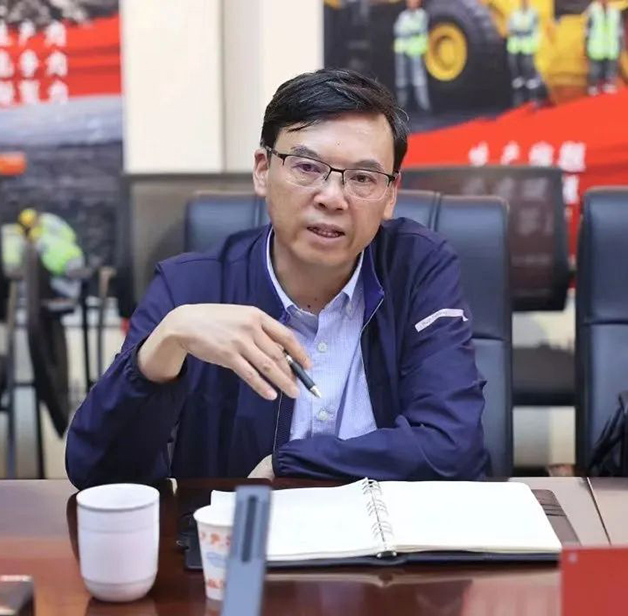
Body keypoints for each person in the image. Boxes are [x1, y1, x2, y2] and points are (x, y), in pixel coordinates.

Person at [65, 68, 488, 489]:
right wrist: (165, 345)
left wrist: (288, 463)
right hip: (234, 533)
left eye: (363, 178)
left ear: (391, 194)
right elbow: (98, 472)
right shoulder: (190, 289)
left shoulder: (418, 268)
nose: (332, 198)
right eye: (307, 167)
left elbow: (454, 448)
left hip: (388, 531)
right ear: (262, 170)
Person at [393, 0, 431, 112]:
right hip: (402, 50)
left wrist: (407, 30)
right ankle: (402, 104)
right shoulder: (403, 15)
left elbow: (417, 28)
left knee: (418, 79)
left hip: (415, 50)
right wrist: (408, 31)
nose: (411, 3)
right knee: (401, 79)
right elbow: (397, 29)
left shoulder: (422, 15)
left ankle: (423, 106)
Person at [585, 0, 624, 95]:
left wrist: (621, 45)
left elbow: (619, 31)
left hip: (611, 47)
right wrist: (585, 45)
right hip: (596, 47)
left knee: (610, 70)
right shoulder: (592, 11)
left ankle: (609, 85)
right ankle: (593, 87)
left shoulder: (615, 11)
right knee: (594, 71)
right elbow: (587, 31)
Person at [506, 0, 541, 105]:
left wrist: (536, 43)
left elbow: (536, 30)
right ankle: (518, 97)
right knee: (515, 71)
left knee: (528, 69)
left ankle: (532, 97)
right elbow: (510, 28)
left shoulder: (533, 14)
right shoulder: (515, 13)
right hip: (515, 46)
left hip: (528, 46)